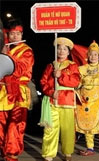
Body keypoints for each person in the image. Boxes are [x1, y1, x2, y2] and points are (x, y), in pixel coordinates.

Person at [39, 37, 80, 161]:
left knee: (67, 129)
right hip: (52, 101)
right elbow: (43, 81)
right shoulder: (50, 65)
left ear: (68, 52)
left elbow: (75, 81)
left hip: (67, 101)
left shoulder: (73, 66)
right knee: (50, 128)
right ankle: (49, 153)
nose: (61, 51)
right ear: (56, 51)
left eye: (64, 49)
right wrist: (51, 92)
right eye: (59, 49)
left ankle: (67, 152)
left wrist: (60, 75)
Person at [0, 19, 34, 161]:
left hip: (18, 92)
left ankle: (12, 154)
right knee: (1, 123)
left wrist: (6, 56)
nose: (15, 36)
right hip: (2, 92)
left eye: (17, 34)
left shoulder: (27, 51)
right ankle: (2, 150)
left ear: (22, 34)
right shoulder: (4, 48)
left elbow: (21, 69)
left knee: (15, 125)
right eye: (12, 34)